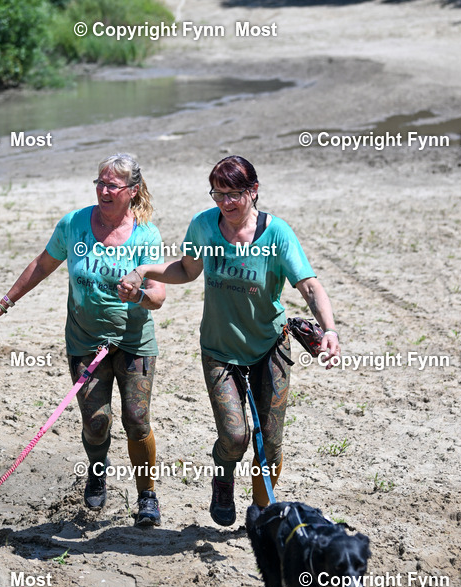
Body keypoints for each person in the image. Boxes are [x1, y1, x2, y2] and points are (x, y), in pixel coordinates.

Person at [119, 155, 340, 527]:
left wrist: (329, 329)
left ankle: (261, 512)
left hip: (270, 348)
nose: (225, 203)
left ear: (253, 191)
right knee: (235, 437)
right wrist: (145, 270)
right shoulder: (205, 226)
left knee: (270, 442)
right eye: (218, 194)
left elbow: (308, 284)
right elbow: (187, 269)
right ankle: (223, 477)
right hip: (220, 351)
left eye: (234, 194)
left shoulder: (277, 234)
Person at [0, 153, 166, 528]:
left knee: (136, 418)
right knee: (96, 423)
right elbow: (43, 264)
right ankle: (98, 470)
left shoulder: (147, 234)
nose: (104, 190)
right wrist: (4, 303)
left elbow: (158, 296)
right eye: (100, 182)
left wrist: (138, 296)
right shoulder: (75, 224)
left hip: (133, 342)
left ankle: (147, 496)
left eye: (113, 185)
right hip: (84, 341)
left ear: (132, 191)